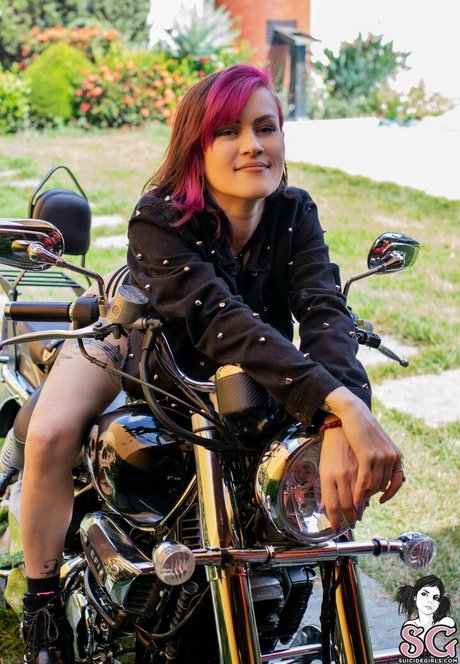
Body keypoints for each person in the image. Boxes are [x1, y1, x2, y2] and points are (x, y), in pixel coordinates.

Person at [19, 63, 404, 663]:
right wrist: (341, 407)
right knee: (49, 432)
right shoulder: (160, 216)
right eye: (228, 131)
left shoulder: (295, 212)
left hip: (252, 371)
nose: (252, 145)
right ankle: (41, 605)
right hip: (141, 344)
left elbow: (326, 313)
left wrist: (342, 418)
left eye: (265, 127)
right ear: (196, 147)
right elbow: (222, 323)